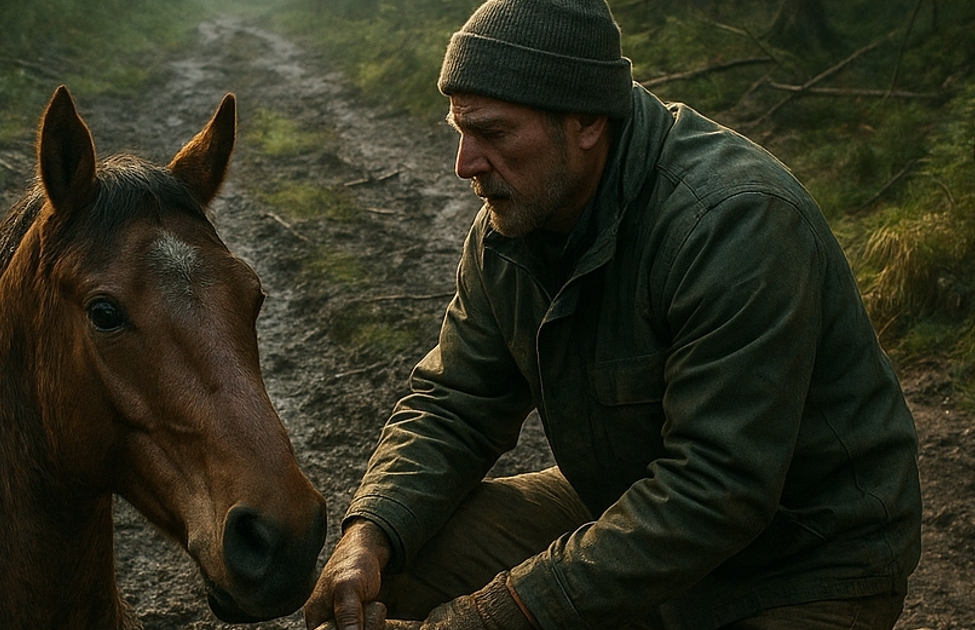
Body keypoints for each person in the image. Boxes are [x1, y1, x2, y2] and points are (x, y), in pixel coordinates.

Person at [303, 0, 923, 629]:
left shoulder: (734, 223)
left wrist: (494, 614)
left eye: (492, 132)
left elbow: (716, 490)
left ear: (588, 122)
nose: (465, 163)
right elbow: (456, 401)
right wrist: (369, 532)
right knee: (396, 567)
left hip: (801, 561)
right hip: (629, 497)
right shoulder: (514, 225)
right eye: (460, 130)